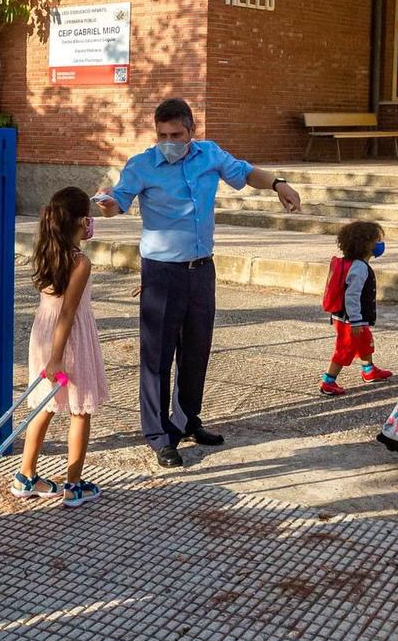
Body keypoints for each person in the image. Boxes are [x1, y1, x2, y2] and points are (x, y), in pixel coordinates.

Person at [97, 97, 302, 468]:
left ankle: (188, 420)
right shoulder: (142, 165)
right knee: (157, 357)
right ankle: (160, 435)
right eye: (162, 135)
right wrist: (108, 204)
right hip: (161, 274)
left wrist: (278, 184)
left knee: (195, 352)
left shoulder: (210, 156)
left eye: (176, 134)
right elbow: (119, 201)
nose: (169, 141)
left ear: (192, 131)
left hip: (201, 270)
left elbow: (246, 172)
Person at [16, 187, 109, 507]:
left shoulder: (46, 250)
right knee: (80, 410)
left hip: (43, 333)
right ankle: (73, 485)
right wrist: (57, 359)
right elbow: (68, 312)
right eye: (89, 217)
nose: (92, 223)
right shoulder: (79, 262)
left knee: (43, 404)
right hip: (68, 340)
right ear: (81, 221)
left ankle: (25, 475)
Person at [320, 221, 392, 396]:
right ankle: (328, 381)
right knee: (344, 348)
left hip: (348, 317)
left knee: (365, 341)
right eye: (376, 241)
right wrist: (356, 320)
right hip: (350, 319)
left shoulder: (351, 263)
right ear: (366, 245)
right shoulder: (359, 267)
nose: (379, 244)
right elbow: (352, 296)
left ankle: (368, 370)